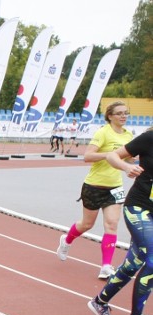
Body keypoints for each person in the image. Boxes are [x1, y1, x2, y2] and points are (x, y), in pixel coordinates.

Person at [87, 126, 153, 315]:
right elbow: (113, 155)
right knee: (152, 260)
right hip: (139, 208)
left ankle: (100, 301)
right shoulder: (149, 138)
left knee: (133, 264)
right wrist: (126, 166)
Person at [56, 101, 134, 279]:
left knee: (112, 225)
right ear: (110, 116)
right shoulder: (103, 133)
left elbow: (127, 159)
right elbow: (87, 156)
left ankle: (106, 266)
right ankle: (66, 240)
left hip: (115, 187)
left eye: (126, 113)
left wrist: (131, 161)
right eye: (120, 113)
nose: (124, 116)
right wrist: (108, 155)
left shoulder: (129, 135)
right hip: (94, 186)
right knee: (87, 224)